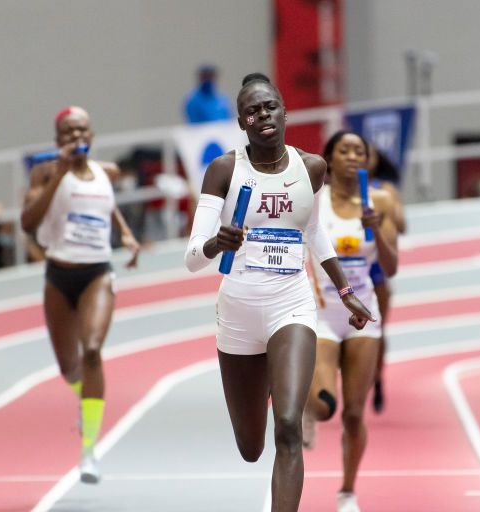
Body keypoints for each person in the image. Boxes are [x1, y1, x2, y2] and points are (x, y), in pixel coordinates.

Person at [183, 73, 374, 512]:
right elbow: (193, 256)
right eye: (253, 110)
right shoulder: (225, 170)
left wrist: (344, 289)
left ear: (284, 111)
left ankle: (284, 376)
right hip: (239, 313)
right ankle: (268, 374)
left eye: (269, 106)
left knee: (287, 426)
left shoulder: (310, 168)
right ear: (241, 122)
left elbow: (312, 231)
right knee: (251, 446)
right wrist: (218, 244)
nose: (262, 115)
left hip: (291, 304)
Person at [20, 106, 141, 484]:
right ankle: (85, 396)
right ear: (57, 140)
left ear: (92, 135)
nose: (77, 138)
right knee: (68, 367)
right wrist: (58, 172)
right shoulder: (44, 172)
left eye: (83, 131)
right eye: (69, 133)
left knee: (91, 351)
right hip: (58, 274)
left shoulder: (107, 173)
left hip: (96, 274)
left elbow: (105, 204)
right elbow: (28, 222)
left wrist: (124, 232)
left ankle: (88, 451)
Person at [302, 130, 399, 512]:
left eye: (360, 151)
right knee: (327, 407)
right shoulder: (314, 203)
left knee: (355, 412)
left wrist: (376, 226)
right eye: (344, 150)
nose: (353, 156)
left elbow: (390, 267)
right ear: (329, 158)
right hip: (323, 313)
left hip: (364, 316)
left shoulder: (377, 202)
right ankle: (304, 404)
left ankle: (347, 491)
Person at [363, 145, 406, 413]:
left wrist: (385, 211)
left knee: (377, 330)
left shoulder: (385, 191)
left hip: (375, 272)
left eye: (366, 155)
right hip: (342, 272)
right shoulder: (336, 193)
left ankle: (378, 379)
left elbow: (401, 225)